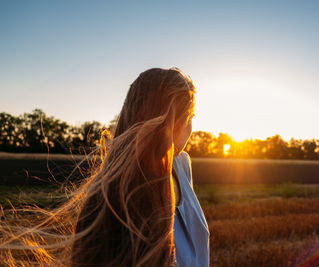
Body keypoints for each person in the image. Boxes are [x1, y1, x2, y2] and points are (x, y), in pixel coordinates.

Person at [0, 67, 209, 267]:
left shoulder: (182, 166)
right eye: (188, 118)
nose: (190, 129)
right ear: (169, 123)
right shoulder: (116, 192)